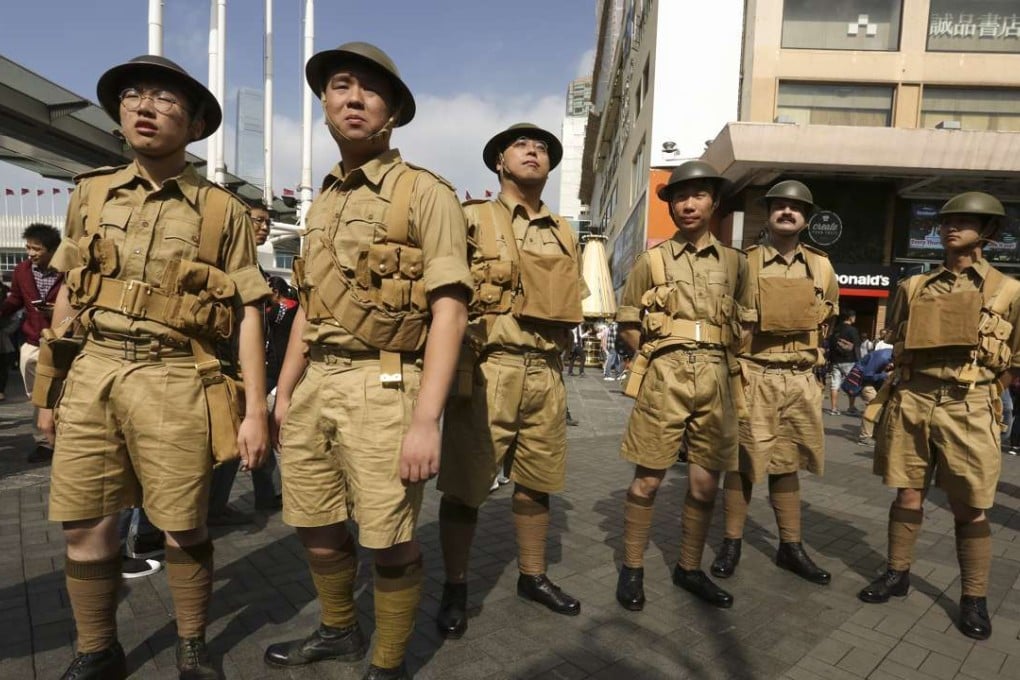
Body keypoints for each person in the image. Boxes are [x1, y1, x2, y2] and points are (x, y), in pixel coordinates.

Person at [44, 55, 270, 680]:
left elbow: (250, 311)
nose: (145, 106)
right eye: (134, 95)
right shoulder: (90, 191)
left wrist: (256, 411)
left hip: (176, 377)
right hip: (93, 373)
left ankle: (192, 643)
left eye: (166, 100)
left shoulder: (222, 211)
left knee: (182, 525)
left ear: (196, 124)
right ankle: (98, 647)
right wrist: (49, 390)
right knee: (84, 524)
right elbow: (70, 289)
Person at [263, 43, 470, 680]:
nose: (353, 99)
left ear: (393, 112)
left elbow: (451, 309)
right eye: (341, 87)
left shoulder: (423, 192)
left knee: (388, 535)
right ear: (325, 103)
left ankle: (387, 659)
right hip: (315, 382)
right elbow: (307, 306)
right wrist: (284, 390)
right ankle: (340, 630)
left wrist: (425, 420)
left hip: (385, 382)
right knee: (313, 522)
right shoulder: (321, 199)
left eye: (369, 91)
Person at [435, 123, 586, 639]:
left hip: (546, 370)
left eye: (542, 148)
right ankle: (455, 586)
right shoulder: (471, 217)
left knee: (537, 482)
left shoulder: (564, 230)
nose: (534, 152)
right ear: (499, 160)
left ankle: (532, 574)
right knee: (464, 488)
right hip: (487, 368)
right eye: (522, 145)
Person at [858, 192, 1020, 642]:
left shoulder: (1010, 291)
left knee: (970, 507)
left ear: (989, 232)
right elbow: (897, 338)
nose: (952, 228)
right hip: (913, 398)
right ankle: (897, 572)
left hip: (969, 404)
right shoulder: (914, 287)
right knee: (907, 495)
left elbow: (1017, 360)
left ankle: (974, 596)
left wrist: (987, 392)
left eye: (966, 221)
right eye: (948, 221)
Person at [613, 160, 753, 611]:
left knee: (703, 486)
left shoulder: (737, 264)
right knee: (647, 482)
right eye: (679, 197)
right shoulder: (650, 260)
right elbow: (628, 319)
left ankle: (689, 568)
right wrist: (656, 356)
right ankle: (632, 567)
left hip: (718, 379)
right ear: (671, 206)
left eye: (698, 195)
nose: (688, 204)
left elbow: (747, 325)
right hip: (664, 378)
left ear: (714, 202)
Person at [709, 180, 838, 587]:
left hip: (800, 379)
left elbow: (827, 321)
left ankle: (790, 546)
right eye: (779, 205)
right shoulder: (742, 262)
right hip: (754, 375)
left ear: (806, 218)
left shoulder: (822, 266)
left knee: (789, 465)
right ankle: (732, 542)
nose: (787, 212)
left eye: (795, 207)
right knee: (743, 465)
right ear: (767, 213)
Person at [0, 223, 63, 461]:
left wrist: (59, 311)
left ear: (52, 250)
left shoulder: (68, 271)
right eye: (28, 247)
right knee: (38, 397)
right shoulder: (22, 271)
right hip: (34, 342)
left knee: (63, 395)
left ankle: (63, 442)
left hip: (63, 343)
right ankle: (44, 443)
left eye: (36, 248)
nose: (31, 253)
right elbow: (15, 299)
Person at [855, 330, 894, 446]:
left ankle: (875, 435)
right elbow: (867, 375)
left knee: (881, 408)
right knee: (873, 406)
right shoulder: (882, 356)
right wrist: (885, 375)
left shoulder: (892, 357)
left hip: (878, 384)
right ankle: (864, 437)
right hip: (867, 383)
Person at [827, 309, 860, 414]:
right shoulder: (852, 330)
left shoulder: (835, 330)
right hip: (849, 361)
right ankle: (851, 407)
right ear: (850, 317)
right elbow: (857, 346)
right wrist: (859, 360)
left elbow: (830, 345)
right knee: (852, 383)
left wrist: (831, 360)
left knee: (834, 385)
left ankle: (833, 408)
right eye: (854, 317)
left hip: (836, 361)